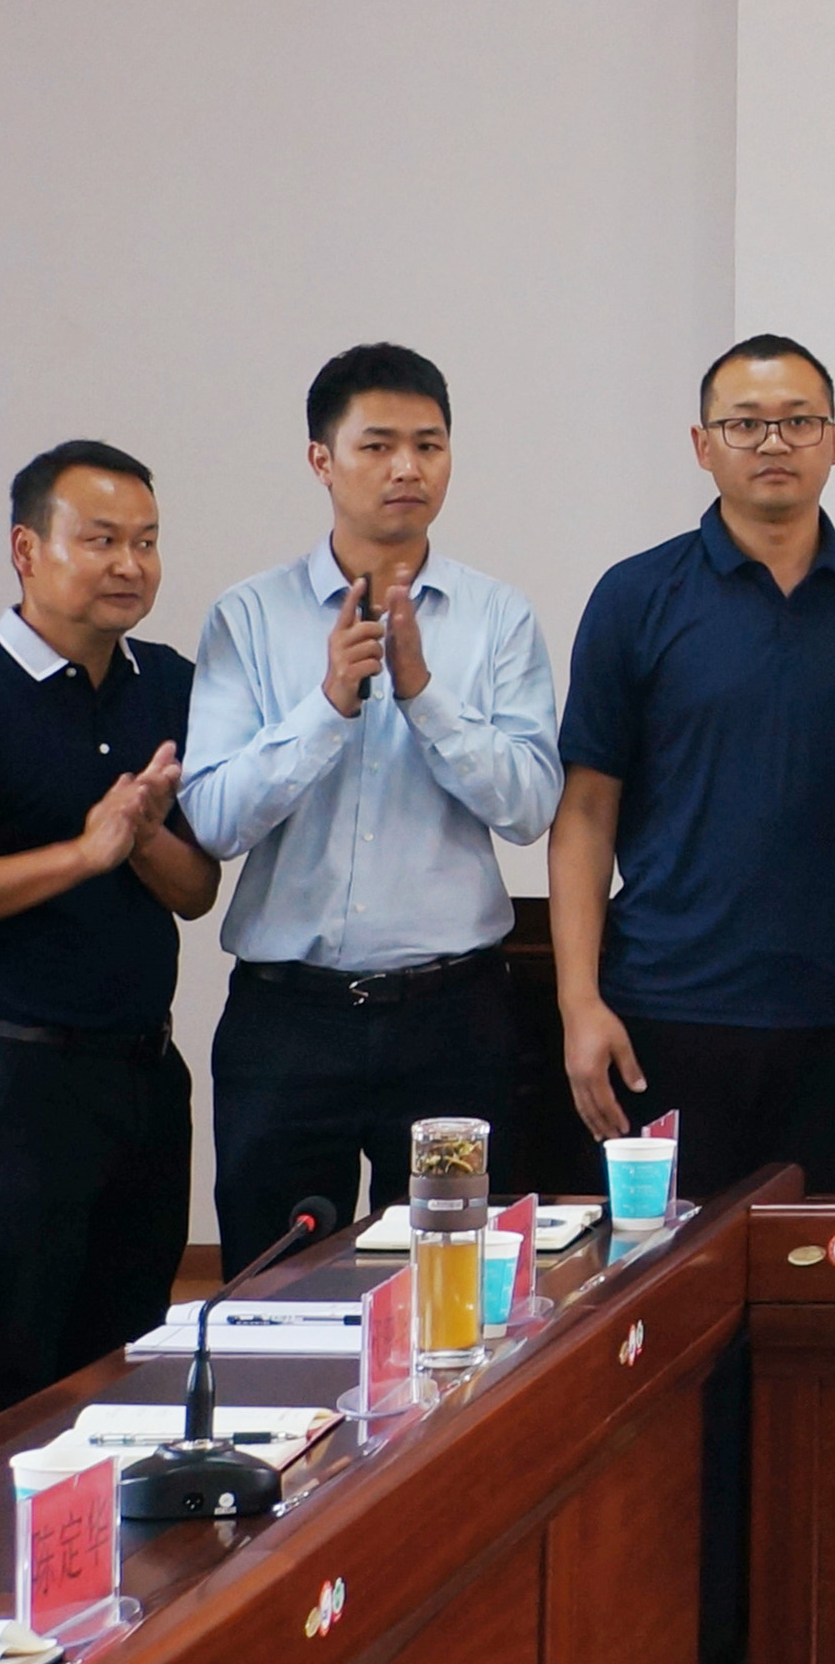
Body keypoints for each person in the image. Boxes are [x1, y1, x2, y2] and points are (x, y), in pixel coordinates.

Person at [182, 345, 563, 1267]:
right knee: (272, 1284)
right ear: (322, 458)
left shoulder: (498, 617)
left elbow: (529, 805)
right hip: (288, 1018)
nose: (407, 468)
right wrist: (325, 708)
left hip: (452, 1015)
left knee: (453, 1282)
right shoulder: (249, 615)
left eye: (429, 445)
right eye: (379, 445)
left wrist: (426, 695)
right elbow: (213, 820)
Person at [0, 443, 214, 1436]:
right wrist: (83, 851)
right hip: (12, 1078)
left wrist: (138, 838)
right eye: (100, 540)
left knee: (132, 1363)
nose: (129, 565)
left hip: (142, 1073)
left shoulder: (168, 684)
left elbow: (196, 892)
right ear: (27, 549)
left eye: (146, 541)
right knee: (13, 1374)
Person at [551, 334, 835, 1204]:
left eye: (799, 421)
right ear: (702, 444)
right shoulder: (635, 596)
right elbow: (584, 810)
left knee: (831, 1275)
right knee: (665, 1274)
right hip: (664, 1010)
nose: (774, 442)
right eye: (745, 423)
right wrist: (579, 1002)